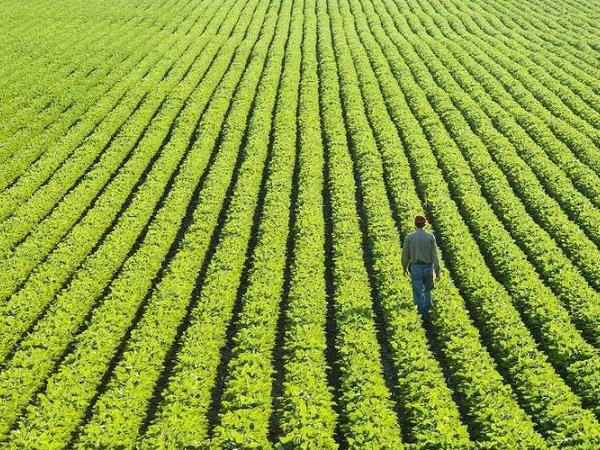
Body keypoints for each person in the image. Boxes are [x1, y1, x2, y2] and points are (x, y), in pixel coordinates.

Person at [401, 215, 441, 320]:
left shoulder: (410, 237)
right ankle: (427, 314)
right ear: (425, 224)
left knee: (418, 292)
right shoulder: (430, 237)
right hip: (428, 268)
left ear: (415, 224)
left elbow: (405, 255)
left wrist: (404, 268)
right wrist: (437, 271)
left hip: (416, 268)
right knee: (428, 291)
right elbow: (434, 255)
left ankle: (420, 316)